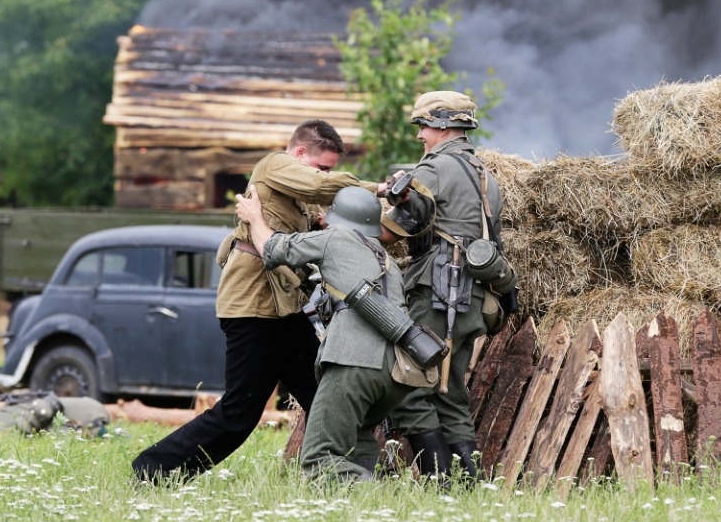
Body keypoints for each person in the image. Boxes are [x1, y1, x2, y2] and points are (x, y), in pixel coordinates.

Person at [132, 119, 390, 482]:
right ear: (299, 152)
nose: (325, 174)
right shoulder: (275, 165)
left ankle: (342, 476)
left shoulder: (298, 191)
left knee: (325, 395)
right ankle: (153, 470)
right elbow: (321, 186)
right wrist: (379, 189)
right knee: (239, 413)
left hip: (285, 309)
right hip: (253, 305)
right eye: (322, 166)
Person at [236, 183, 424, 481]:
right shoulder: (384, 258)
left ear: (338, 216)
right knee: (359, 437)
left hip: (354, 362)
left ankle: (373, 494)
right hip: (396, 371)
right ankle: (370, 503)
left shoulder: (336, 237)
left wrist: (254, 216)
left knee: (320, 458)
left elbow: (272, 249)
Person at [381, 91, 510, 481]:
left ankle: (440, 483)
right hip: (473, 298)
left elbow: (392, 231)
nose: (420, 135)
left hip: (437, 294)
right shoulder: (485, 174)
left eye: (423, 125)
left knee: (410, 387)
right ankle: (467, 488)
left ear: (441, 125)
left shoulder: (434, 168)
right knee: (450, 395)